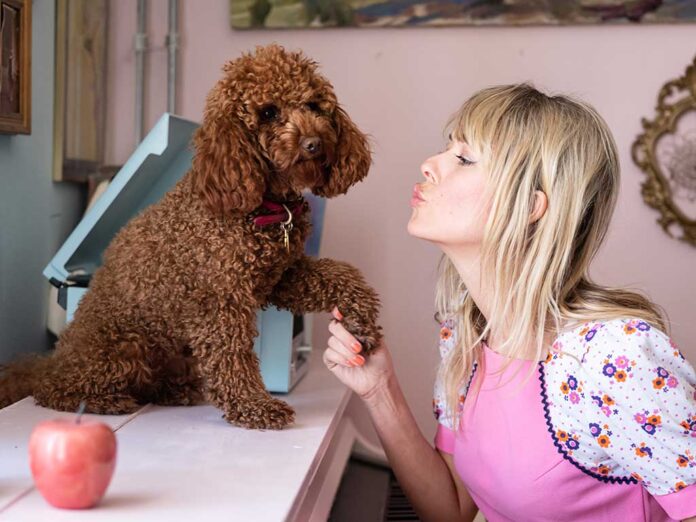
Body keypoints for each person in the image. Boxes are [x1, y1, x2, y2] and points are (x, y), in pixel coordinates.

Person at [322, 84, 696, 522]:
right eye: (447, 149)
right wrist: (379, 390)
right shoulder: (465, 334)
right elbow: (451, 508)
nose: (429, 165)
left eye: (464, 159)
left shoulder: (615, 356)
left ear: (530, 206)